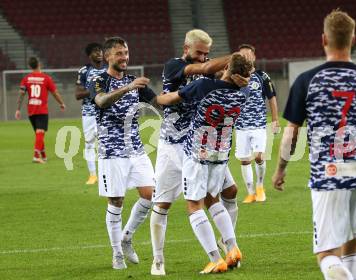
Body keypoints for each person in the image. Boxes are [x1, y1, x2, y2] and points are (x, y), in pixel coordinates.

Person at [271, 10, 356, 280]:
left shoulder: (306, 81)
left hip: (328, 173)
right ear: (353, 39)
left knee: (327, 253)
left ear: (324, 39)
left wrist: (281, 169)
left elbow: (291, 134)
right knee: (354, 249)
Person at [150, 29, 241, 275]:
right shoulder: (174, 66)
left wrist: (239, 67)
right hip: (172, 145)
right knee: (162, 204)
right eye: (198, 52)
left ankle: (229, 248)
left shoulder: (207, 75)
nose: (202, 58)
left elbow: (222, 75)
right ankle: (158, 259)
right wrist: (237, 58)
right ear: (186, 48)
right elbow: (202, 70)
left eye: (206, 54)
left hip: (198, 145)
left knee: (214, 196)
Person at [89, 37, 156, 270]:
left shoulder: (134, 81)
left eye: (126, 53)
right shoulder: (98, 80)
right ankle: (116, 253)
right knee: (116, 201)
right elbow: (101, 101)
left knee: (150, 194)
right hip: (111, 151)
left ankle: (126, 238)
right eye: (119, 53)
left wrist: (185, 94)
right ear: (107, 56)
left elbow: (160, 102)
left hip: (136, 149)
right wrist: (127, 88)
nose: (125, 57)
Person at [235, 44, 280, 203]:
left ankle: (260, 186)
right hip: (240, 125)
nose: (246, 57)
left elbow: (272, 98)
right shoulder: (234, 77)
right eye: (242, 55)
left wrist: (275, 120)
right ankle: (251, 192)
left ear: (254, 57)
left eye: (248, 55)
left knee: (259, 156)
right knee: (244, 160)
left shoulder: (262, 76)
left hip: (258, 124)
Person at [15, 57, 65, 163]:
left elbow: (21, 94)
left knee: (39, 133)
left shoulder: (26, 79)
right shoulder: (46, 78)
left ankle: (44, 155)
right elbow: (55, 93)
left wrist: (18, 109)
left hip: (31, 110)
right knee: (40, 132)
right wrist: (61, 103)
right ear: (39, 64)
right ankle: (36, 156)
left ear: (30, 66)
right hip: (41, 110)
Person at [75, 43, 107, 185]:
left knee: (106, 143)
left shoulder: (109, 69)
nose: (99, 53)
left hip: (106, 112)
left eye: (100, 50)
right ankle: (93, 175)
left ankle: (106, 173)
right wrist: (93, 90)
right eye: (95, 51)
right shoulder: (84, 71)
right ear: (90, 55)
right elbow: (78, 94)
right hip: (89, 113)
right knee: (89, 144)